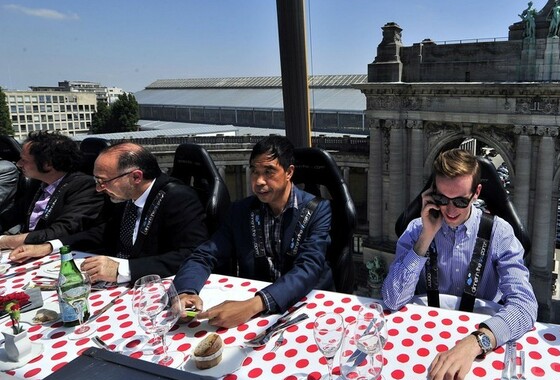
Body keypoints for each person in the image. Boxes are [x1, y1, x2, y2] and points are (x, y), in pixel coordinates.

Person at [382, 148, 537, 380]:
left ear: (476, 194)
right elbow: (391, 299)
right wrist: (425, 238)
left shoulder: (500, 233)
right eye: (442, 199)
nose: (450, 210)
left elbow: (525, 306)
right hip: (422, 335)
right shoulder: (415, 230)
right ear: (431, 194)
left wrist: (476, 342)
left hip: (481, 338)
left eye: (460, 202)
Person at [173, 135, 333, 329]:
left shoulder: (318, 210)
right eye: (254, 172)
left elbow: (308, 269)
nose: (259, 181)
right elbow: (204, 255)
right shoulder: (240, 211)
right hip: (254, 312)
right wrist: (186, 291)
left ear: (289, 172)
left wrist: (253, 305)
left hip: (306, 310)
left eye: (269, 172)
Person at [10, 142, 208, 284]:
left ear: (136, 177)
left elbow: (192, 254)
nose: (98, 188)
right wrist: (51, 246)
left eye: (103, 181)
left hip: (158, 288)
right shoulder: (125, 195)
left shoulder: (179, 198)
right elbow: (104, 232)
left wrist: (123, 270)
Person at [0, 131, 104, 249]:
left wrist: (6, 241)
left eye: (24, 160)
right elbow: (8, 217)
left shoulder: (85, 187)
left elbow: (61, 231)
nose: (18, 164)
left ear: (47, 164)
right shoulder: (38, 183)